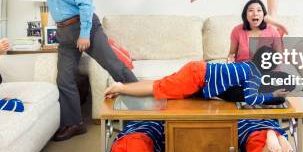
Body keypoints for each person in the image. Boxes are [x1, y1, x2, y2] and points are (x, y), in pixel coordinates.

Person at [0, 0, 137, 141]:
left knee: (115, 67)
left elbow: (86, 6)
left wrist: (85, 34)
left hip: (85, 28)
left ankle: (144, 111)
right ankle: (75, 123)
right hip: (64, 32)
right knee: (65, 78)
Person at [104, 46, 289, 105]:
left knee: (161, 84)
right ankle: (121, 87)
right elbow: (250, 97)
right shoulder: (253, 73)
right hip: (197, 76)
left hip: (198, 71)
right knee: (157, 88)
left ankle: (122, 89)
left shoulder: (248, 66)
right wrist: (272, 96)